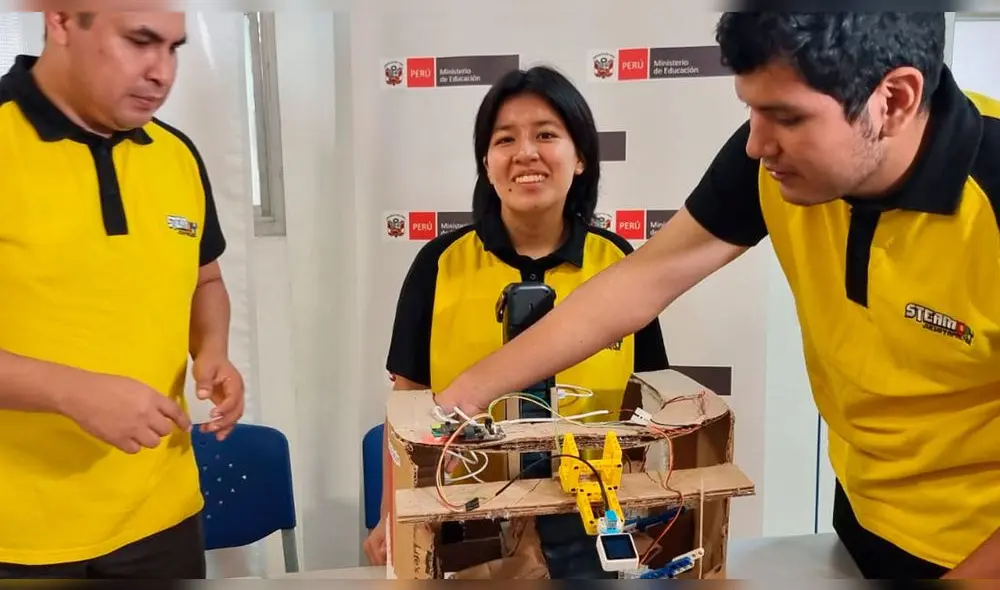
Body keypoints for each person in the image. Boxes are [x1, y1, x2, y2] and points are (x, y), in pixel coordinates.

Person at [433, 12, 1000, 581]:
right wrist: (464, 395)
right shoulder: (772, 161)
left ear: (894, 99)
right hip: (865, 520)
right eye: (751, 109)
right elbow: (642, 281)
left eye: (787, 117)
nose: (756, 143)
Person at [362, 65, 669, 577]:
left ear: (581, 158)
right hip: (467, 521)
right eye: (505, 139)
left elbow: (649, 401)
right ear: (487, 163)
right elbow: (407, 407)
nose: (526, 153)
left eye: (547, 135)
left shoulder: (618, 264)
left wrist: (651, 512)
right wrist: (390, 515)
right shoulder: (439, 264)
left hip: (590, 519)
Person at [0, 11, 244, 579]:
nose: (161, 71)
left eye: (173, 48)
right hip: (18, 538)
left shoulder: (175, 152)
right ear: (61, 21)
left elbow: (205, 280)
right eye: (139, 42)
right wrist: (69, 392)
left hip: (162, 518)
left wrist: (212, 350)